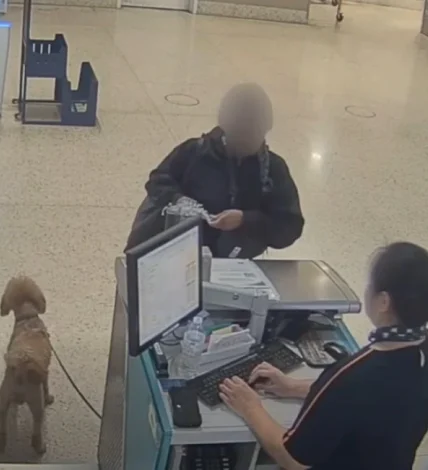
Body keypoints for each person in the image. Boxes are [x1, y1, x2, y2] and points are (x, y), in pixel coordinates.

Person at [219, 242, 428, 470]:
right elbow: (372, 402)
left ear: (383, 302)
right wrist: (294, 387)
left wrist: (250, 407)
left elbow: (293, 458)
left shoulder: (353, 375)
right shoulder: (417, 351)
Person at [126, 83, 304, 258]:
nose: (246, 142)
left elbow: (290, 227)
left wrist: (245, 220)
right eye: (239, 135)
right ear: (225, 128)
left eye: (254, 135)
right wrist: (179, 200)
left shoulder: (273, 170)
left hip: (234, 264)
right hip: (180, 257)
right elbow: (157, 181)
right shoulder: (193, 153)